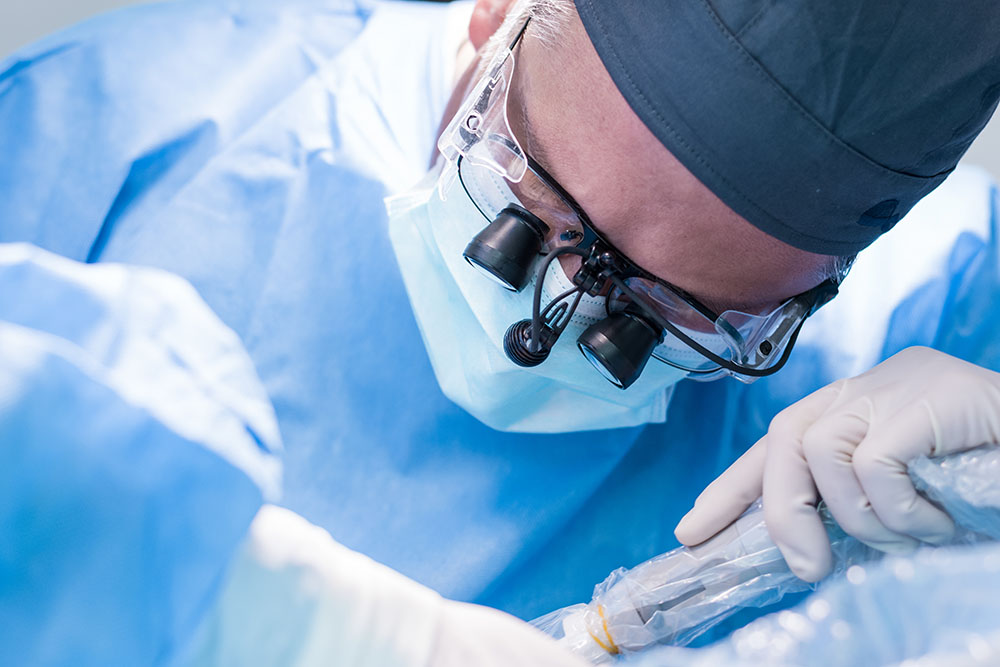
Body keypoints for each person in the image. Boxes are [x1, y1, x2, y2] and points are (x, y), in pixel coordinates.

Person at [0, 0, 998, 641]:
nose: (548, 325)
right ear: (494, 23)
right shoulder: (117, 127)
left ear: (815, 288)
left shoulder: (933, 319)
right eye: (536, 212)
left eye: (663, 317)